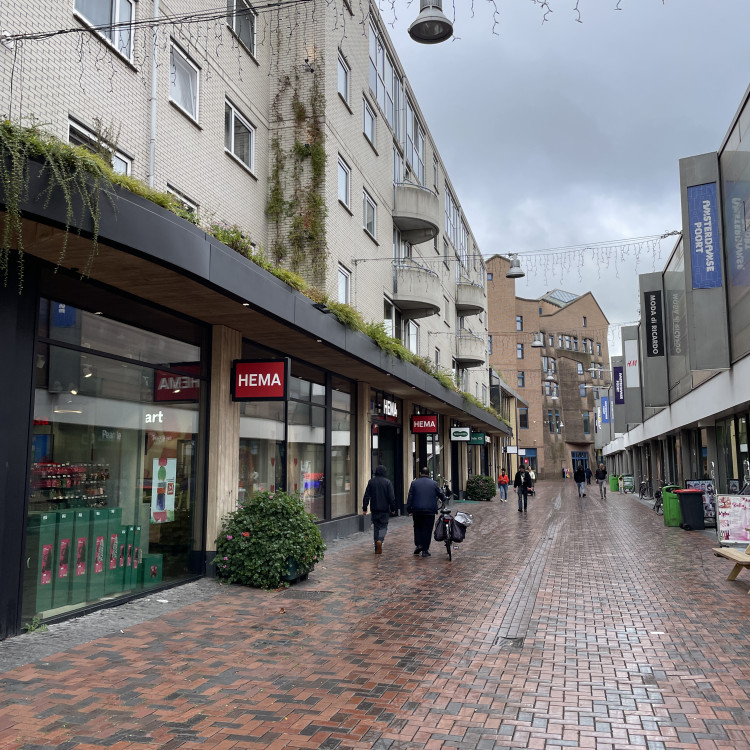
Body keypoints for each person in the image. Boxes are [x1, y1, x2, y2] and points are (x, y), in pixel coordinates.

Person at [406, 467, 446, 557]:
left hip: (417, 510)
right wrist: (444, 498)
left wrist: (409, 509)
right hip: (430, 511)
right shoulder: (434, 483)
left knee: (417, 528)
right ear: (429, 474)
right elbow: (441, 495)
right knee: (427, 530)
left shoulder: (414, 483)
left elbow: (410, 497)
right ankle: (425, 550)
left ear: (420, 473)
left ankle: (418, 545)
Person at [362, 465, 396, 554]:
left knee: (376, 527)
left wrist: (365, 508)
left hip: (374, 509)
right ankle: (380, 540)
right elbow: (391, 497)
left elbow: (366, 496)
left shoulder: (371, 482)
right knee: (383, 526)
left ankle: (376, 547)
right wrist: (393, 508)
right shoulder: (387, 482)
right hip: (384, 509)